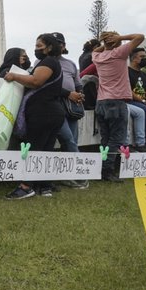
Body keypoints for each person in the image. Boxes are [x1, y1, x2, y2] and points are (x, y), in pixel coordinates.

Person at [3, 33, 66, 199]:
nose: (36, 49)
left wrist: (14, 76)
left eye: (39, 46)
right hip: (52, 112)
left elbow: (36, 81)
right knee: (45, 149)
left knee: (33, 148)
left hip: (44, 112)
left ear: (49, 48)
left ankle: (26, 186)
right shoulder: (53, 63)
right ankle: (44, 185)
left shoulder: (48, 62)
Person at [93, 30, 144, 182]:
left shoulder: (97, 57)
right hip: (117, 101)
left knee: (105, 138)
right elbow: (140, 37)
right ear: (116, 42)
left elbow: (96, 49)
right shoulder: (119, 53)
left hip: (101, 102)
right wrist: (119, 38)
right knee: (116, 138)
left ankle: (102, 168)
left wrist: (106, 43)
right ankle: (107, 170)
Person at [51, 32, 87, 188]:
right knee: (68, 139)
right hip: (55, 106)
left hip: (72, 107)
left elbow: (77, 83)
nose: (57, 45)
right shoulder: (42, 62)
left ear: (64, 46)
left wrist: (79, 94)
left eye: (60, 42)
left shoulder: (71, 64)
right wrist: (68, 94)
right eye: (54, 42)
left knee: (72, 141)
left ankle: (68, 176)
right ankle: (81, 175)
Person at [0, 47, 30, 113]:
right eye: (23, 56)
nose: (25, 59)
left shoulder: (21, 71)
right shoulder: (7, 71)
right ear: (15, 57)